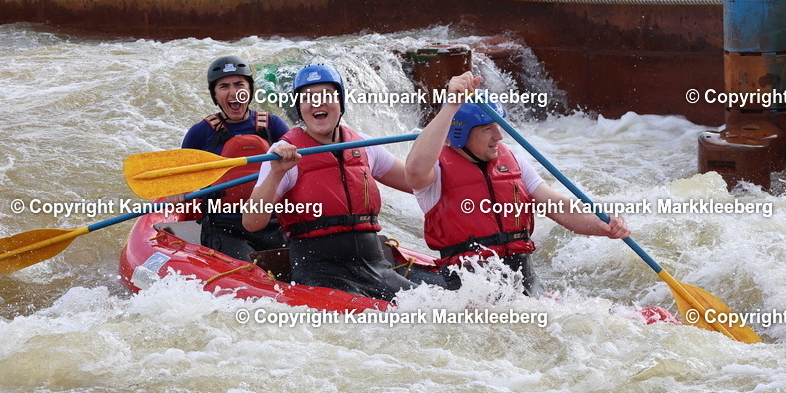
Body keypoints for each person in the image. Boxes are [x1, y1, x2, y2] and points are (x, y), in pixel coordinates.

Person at [404, 71, 630, 295]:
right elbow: (414, 169)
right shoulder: (434, 171)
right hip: (468, 287)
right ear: (460, 133)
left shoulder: (513, 162)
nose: (499, 136)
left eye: (498, 126)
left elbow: (560, 208)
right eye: (487, 129)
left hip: (524, 280)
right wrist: (452, 105)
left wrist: (606, 224)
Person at [243, 63, 418, 302]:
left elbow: (418, 182)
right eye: (308, 98)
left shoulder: (363, 145)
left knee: (430, 308)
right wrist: (276, 173)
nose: (317, 103)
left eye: (326, 95)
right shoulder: (281, 153)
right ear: (299, 108)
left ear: (341, 102)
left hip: (375, 267)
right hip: (320, 271)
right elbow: (252, 222)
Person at [174, 55, 290, 260]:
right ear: (215, 95)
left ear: (250, 90)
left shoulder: (274, 126)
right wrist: (176, 190)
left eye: (239, 84)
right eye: (224, 86)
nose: (233, 92)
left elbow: (298, 173)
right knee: (248, 273)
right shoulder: (200, 133)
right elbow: (180, 177)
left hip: (272, 222)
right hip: (224, 226)